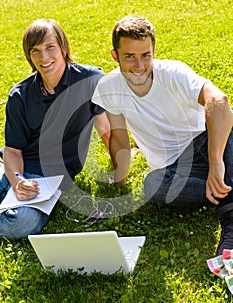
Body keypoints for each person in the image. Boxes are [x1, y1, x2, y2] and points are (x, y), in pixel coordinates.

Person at [92, 15, 233, 256]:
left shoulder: (172, 73)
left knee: (229, 122)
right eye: (129, 57)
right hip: (174, 169)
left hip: (209, 143)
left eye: (145, 55)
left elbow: (218, 101)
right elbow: (119, 139)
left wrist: (215, 161)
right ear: (115, 55)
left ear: (154, 50)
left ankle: (230, 225)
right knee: (152, 185)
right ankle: (224, 187)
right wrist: (118, 182)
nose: (139, 65)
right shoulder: (108, 88)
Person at [0, 18, 110, 239]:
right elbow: (13, 151)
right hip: (11, 168)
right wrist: (17, 180)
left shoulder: (90, 80)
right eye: (36, 51)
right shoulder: (20, 96)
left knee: (21, 223)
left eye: (50, 47)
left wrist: (120, 162)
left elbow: (105, 128)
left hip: (48, 180)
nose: (44, 57)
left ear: (63, 47)